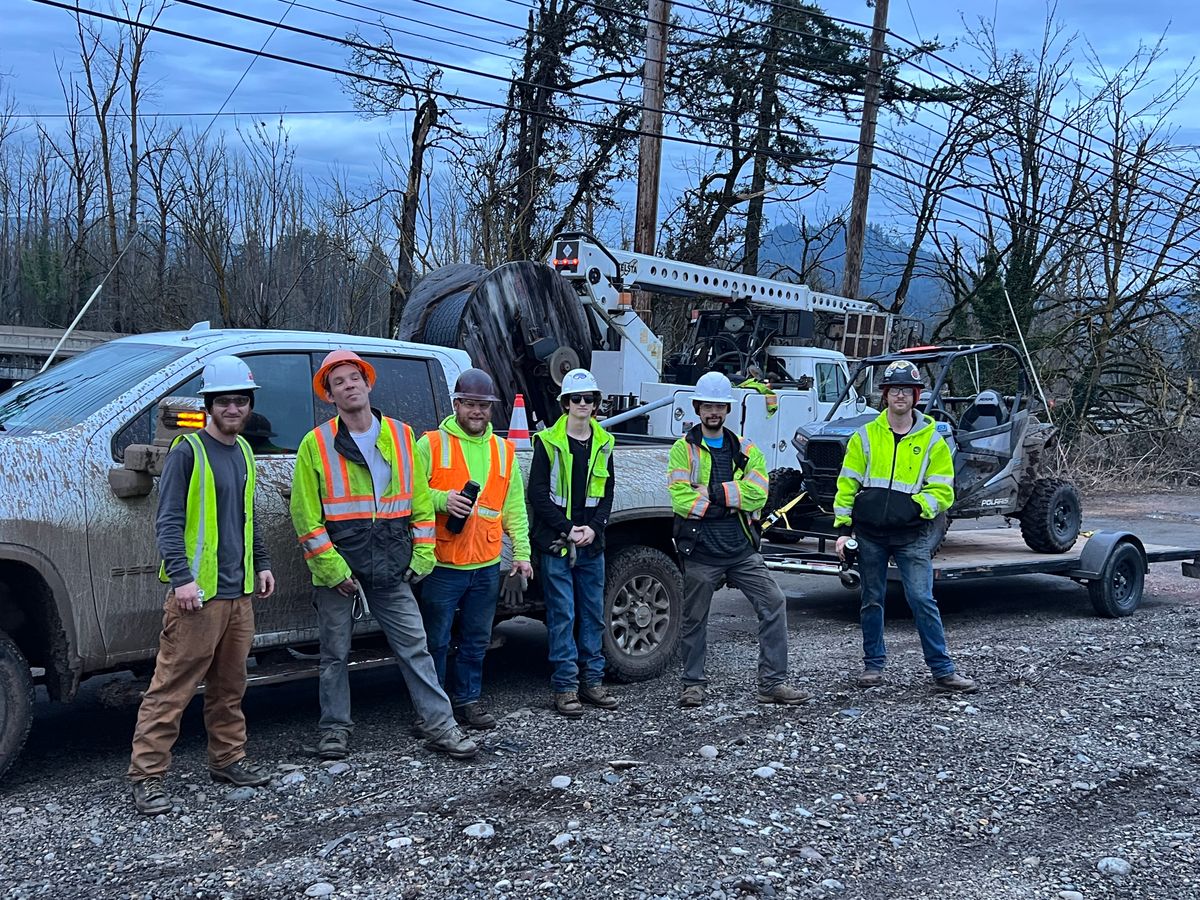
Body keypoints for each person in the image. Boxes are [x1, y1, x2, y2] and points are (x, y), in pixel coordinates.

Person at [290, 350, 477, 761]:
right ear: (329, 394)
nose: (348, 385)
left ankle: (441, 726)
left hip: (392, 567)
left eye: (354, 377)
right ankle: (334, 730)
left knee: (416, 648)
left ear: (368, 383)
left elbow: (420, 501)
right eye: (338, 381)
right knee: (334, 655)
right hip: (342, 571)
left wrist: (423, 553)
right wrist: (333, 569)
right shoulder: (315, 444)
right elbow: (306, 516)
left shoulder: (401, 435)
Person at [128, 355, 276, 815]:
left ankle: (228, 759)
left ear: (249, 405)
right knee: (171, 686)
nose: (233, 409)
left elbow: (246, 519)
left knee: (230, 687)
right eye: (225, 402)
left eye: (241, 401)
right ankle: (147, 777)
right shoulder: (187, 452)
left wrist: (263, 564)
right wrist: (183, 579)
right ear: (209, 406)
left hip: (238, 595)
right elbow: (168, 522)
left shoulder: (246, 452)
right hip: (198, 598)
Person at [668, 371, 811, 708]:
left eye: (719, 405)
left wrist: (713, 494)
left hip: (741, 551)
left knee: (774, 602)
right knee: (694, 619)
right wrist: (731, 502)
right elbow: (680, 500)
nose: (713, 411)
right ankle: (692, 684)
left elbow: (759, 495)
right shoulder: (682, 449)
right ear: (697, 408)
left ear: (727, 409)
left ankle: (772, 684)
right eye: (707, 405)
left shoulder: (746, 449)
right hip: (702, 551)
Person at [833, 360, 977, 694]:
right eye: (893, 389)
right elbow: (847, 484)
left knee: (921, 599)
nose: (900, 395)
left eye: (906, 390)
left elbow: (943, 490)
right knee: (871, 599)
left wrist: (914, 508)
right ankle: (873, 666)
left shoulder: (932, 440)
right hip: (869, 535)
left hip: (912, 535)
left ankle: (943, 671)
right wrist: (842, 529)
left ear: (916, 395)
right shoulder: (865, 436)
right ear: (884, 395)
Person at [415, 367, 534, 731]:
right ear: (456, 404)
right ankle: (430, 713)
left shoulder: (503, 450)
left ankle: (467, 701)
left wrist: (522, 555)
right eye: (470, 404)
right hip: (442, 564)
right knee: (433, 642)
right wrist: (442, 500)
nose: (477, 412)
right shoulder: (430, 444)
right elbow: (410, 495)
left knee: (476, 640)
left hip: (485, 565)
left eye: (483, 405)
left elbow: (514, 508)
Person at [527, 368, 618, 717]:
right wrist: (568, 528)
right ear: (565, 404)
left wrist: (594, 528)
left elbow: (608, 492)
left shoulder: (605, 442)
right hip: (557, 541)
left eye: (589, 399)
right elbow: (537, 493)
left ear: (595, 404)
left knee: (592, 615)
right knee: (563, 615)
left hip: (592, 543)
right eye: (576, 399)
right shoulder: (548, 442)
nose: (583, 404)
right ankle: (566, 687)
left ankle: (592, 682)